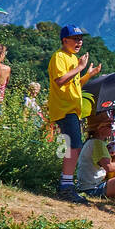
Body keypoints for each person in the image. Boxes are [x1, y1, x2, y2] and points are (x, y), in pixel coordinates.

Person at [47, 24, 102, 202]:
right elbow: (60, 81)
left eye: (80, 38)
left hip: (71, 109)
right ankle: (66, 186)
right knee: (73, 147)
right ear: (65, 40)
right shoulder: (59, 57)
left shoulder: (72, 58)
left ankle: (66, 183)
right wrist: (79, 68)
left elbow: (75, 84)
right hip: (65, 109)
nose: (79, 42)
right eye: (75, 38)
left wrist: (88, 74)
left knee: (72, 146)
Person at [76, 112, 115, 200]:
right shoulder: (97, 143)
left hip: (91, 186)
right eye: (109, 126)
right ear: (99, 128)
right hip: (92, 189)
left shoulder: (95, 142)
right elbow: (109, 167)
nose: (112, 128)